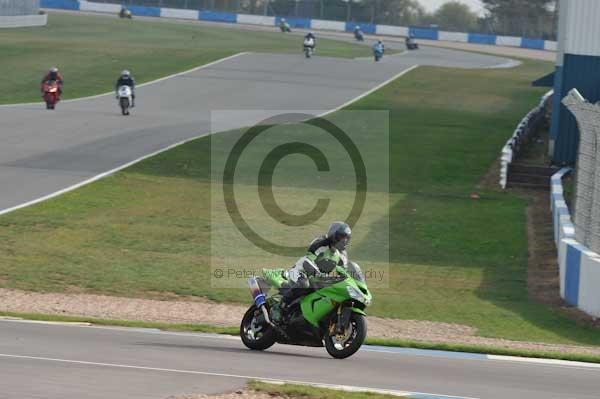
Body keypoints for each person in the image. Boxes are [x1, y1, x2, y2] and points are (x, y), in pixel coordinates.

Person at [280, 222, 351, 305]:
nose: (344, 241)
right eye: (342, 237)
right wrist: (320, 276)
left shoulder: (342, 255)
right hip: (300, 272)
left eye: (347, 238)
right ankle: (281, 305)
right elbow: (307, 263)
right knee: (304, 285)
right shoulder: (321, 244)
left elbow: (344, 272)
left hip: (317, 280)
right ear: (333, 235)